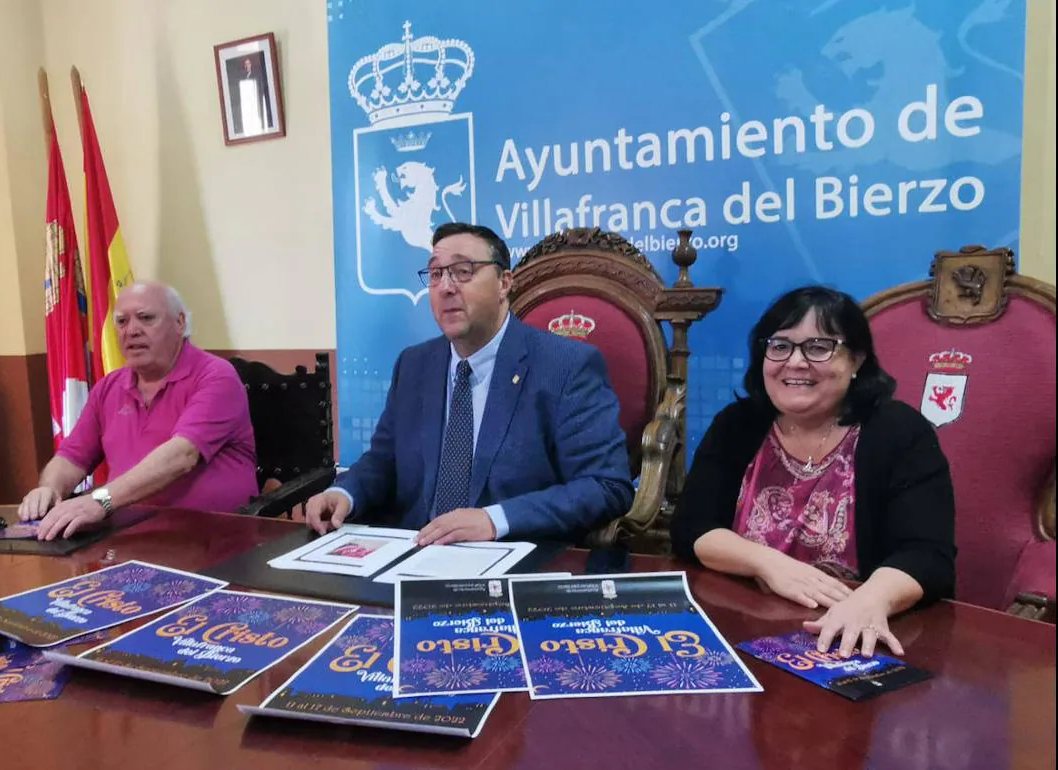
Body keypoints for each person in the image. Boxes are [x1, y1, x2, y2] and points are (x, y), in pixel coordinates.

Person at [671, 286, 956, 658]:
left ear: (856, 360)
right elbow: (692, 529)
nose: (795, 362)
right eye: (780, 346)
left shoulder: (898, 432)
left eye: (818, 347)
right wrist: (768, 563)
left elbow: (926, 555)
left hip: (852, 634)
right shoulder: (738, 424)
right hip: (745, 626)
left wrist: (871, 600)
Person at [304, 222, 634, 544]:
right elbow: (384, 461)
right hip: (412, 555)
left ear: (505, 283)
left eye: (463, 271)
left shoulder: (566, 366)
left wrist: (496, 519)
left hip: (514, 562)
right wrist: (345, 491)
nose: (446, 287)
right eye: (435, 274)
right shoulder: (414, 364)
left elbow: (606, 486)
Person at [17, 281, 257, 539]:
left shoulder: (215, 376)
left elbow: (182, 457)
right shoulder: (109, 387)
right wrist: (50, 490)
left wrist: (101, 501)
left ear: (179, 323)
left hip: (212, 539)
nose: (131, 331)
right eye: (121, 322)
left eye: (146, 318)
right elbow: (71, 457)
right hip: (126, 536)